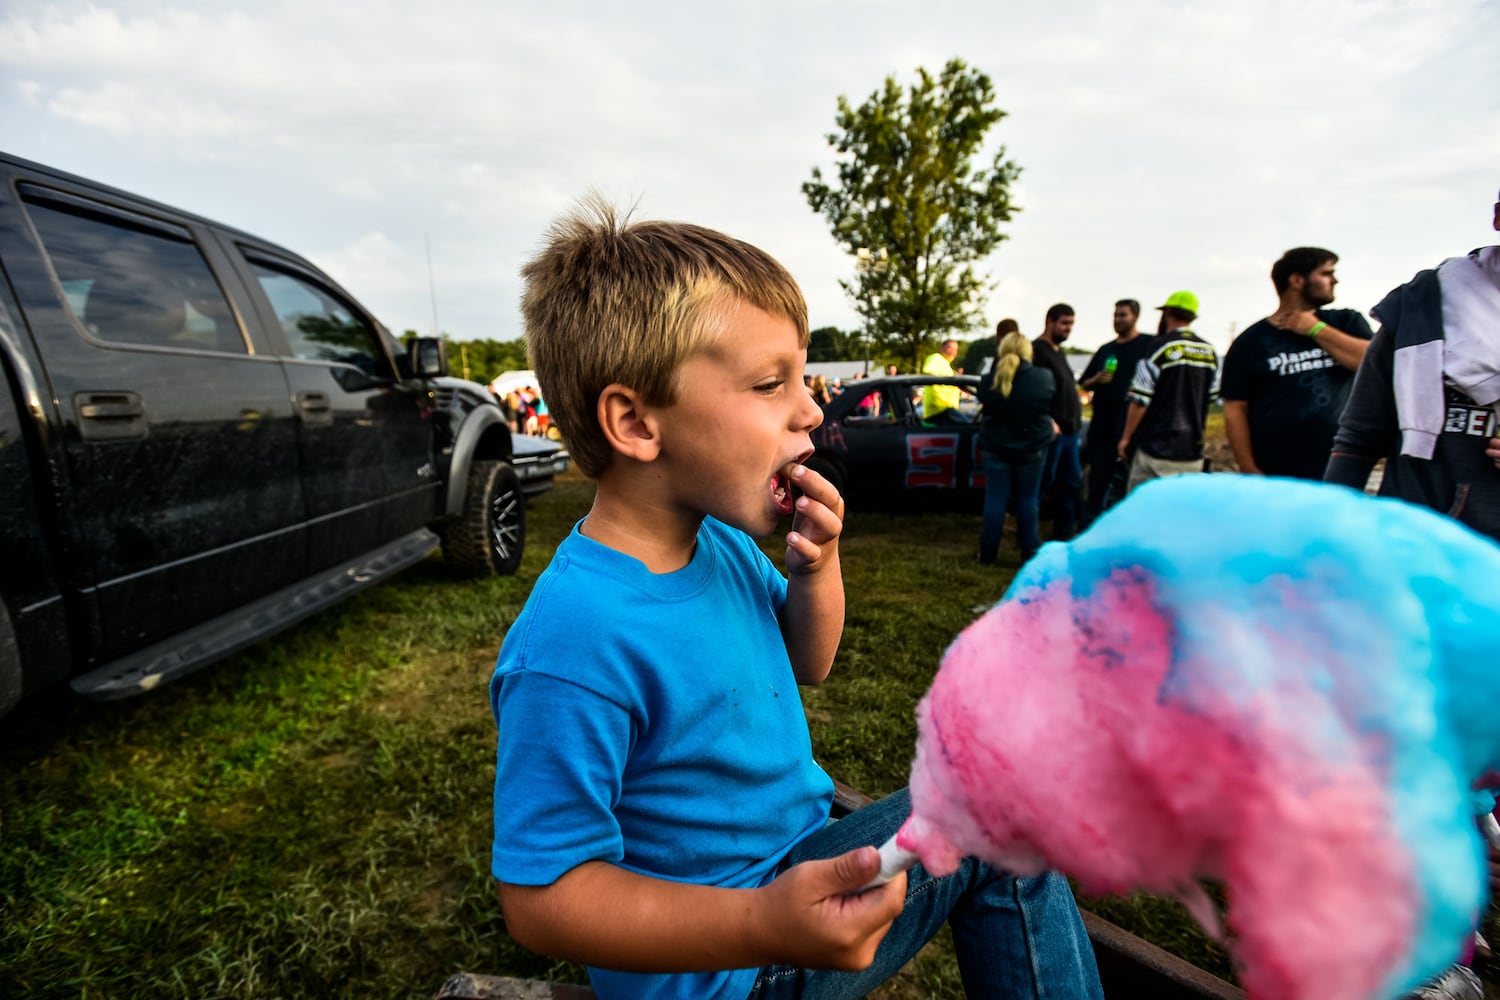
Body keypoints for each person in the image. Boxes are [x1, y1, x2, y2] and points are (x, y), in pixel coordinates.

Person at [491, 198, 1103, 1000]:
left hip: (792, 874)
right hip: (727, 968)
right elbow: (541, 901)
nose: (812, 409)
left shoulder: (718, 542)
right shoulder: (575, 639)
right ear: (636, 422)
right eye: (770, 383)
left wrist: (818, 571)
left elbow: (807, 662)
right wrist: (764, 925)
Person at [1325, 188, 1500, 543]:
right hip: (1418, 546)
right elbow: (1360, 435)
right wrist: (1326, 535)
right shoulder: (1425, 304)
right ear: (1498, 217)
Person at [1221, 248, 1374, 479]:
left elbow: (1370, 363)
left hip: (1340, 466)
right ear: (1297, 280)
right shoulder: (1250, 342)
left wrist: (1315, 328)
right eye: (1326, 273)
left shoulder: (1346, 322)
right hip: (1276, 471)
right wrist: (1248, 468)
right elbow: (1235, 409)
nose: (1335, 280)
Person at [1118, 291, 1221, 492]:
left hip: (1156, 448)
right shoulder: (1210, 352)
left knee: (1144, 509)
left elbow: (1140, 399)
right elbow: (1212, 396)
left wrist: (1126, 438)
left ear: (1167, 313)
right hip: (1192, 449)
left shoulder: (1158, 347)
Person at [976, 329, 1057, 564]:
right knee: (1028, 501)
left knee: (995, 499)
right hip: (1032, 448)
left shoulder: (989, 380)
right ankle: (1029, 552)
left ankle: (988, 554)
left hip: (995, 447)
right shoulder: (1044, 378)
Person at [1077, 299, 1154, 526]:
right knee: (1097, 483)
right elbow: (1084, 382)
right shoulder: (1106, 349)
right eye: (1116, 315)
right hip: (1102, 428)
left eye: (1123, 315)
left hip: (1132, 429)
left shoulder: (1147, 345)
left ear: (1135, 317)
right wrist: (1095, 379)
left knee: (1129, 486)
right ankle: (1089, 531)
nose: (1118, 320)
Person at [1031, 304, 1083, 539]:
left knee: (1071, 484)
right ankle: (1028, 533)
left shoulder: (1059, 351)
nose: (1068, 329)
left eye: (1071, 324)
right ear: (1049, 322)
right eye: (1064, 323)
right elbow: (1034, 392)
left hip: (1071, 431)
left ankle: (1064, 534)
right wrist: (1048, 419)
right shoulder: (1038, 351)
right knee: (1043, 483)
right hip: (1053, 432)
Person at [920, 338, 965, 422]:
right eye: (950, 348)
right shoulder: (936, 358)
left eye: (955, 349)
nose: (953, 351)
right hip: (941, 411)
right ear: (941, 348)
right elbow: (928, 373)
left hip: (945, 410)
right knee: (973, 429)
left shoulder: (946, 365)